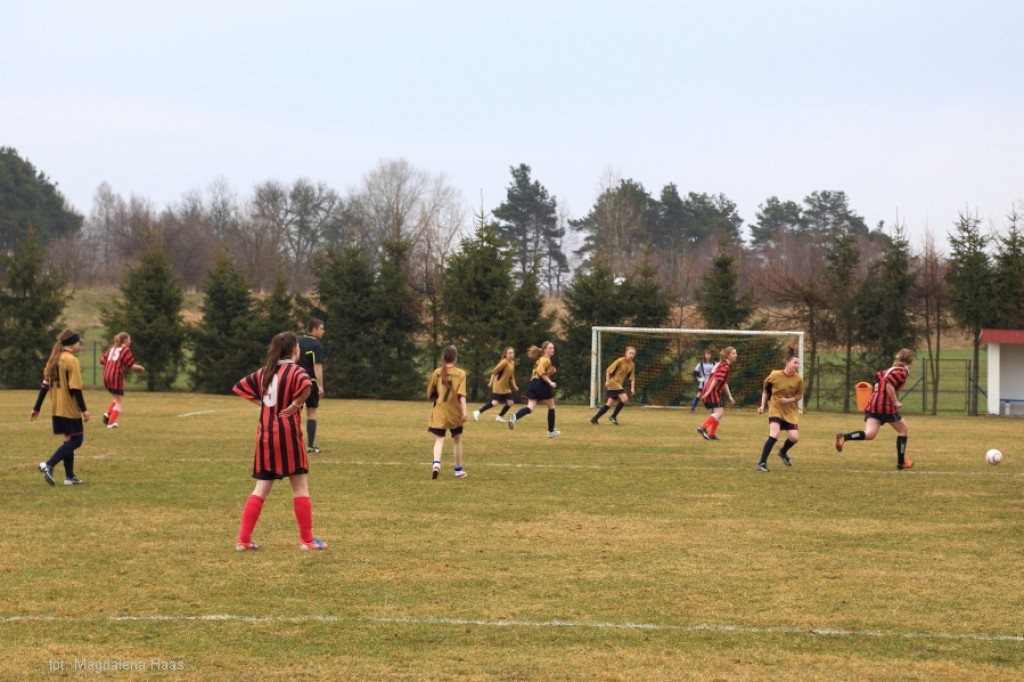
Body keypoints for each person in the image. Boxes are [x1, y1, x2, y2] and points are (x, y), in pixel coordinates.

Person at [233, 331, 326, 551]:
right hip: (288, 434)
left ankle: (243, 541)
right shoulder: (296, 370)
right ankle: (307, 540)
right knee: (300, 488)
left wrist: (265, 404)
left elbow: (240, 387)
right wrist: (294, 405)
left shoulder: (266, 371)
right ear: (296, 350)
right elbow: (307, 386)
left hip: (265, 435)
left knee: (261, 488)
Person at [835, 349, 915, 470]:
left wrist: (880, 393)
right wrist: (894, 401)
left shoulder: (891, 369)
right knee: (903, 430)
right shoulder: (902, 371)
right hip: (884, 404)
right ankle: (900, 462)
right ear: (910, 362)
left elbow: (879, 381)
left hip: (874, 401)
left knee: (870, 434)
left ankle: (844, 437)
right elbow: (888, 384)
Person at [30, 329, 90, 486]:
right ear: (74, 344)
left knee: (69, 438)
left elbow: (44, 386)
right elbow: (75, 388)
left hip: (56, 408)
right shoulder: (71, 361)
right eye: (78, 342)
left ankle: (69, 477)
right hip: (69, 409)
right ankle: (48, 465)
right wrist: (84, 410)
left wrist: (36, 408)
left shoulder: (53, 360)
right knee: (77, 439)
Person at [755, 350, 804, 472]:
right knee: (774, 433)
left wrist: (788, 400)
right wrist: (762, 406)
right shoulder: (774, 375)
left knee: (794, 438)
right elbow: (766, 391)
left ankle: (783, 451)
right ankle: (761, 463)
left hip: (789, 410)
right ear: (787, 363)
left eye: (798, 363)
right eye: (795, 363)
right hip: (775, 407)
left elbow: (799, 395)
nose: (796, 366)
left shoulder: (798, 379)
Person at [427, 345, 468, 479]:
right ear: (455, 359)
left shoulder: (436, 372)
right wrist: (465, 411)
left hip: (439, 410)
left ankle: (436, 464)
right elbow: (461, 395)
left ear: (443, 358)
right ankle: (458, 470)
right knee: (456, 440)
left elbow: (429, 393)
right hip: (454, 411)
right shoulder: (460, 373)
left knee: (439, 440)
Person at [508, 341, 560, 438]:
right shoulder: (546, 360)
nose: (552, 349)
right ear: (544, 350)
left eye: (553, 348)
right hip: (541, 384)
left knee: (530, 408)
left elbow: (541, 372)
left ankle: (514, 417)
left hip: (533, 384)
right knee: (551, 407)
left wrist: (551, 371)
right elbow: (541, 373)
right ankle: (550, 431)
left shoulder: (540, 360)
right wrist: (550, 382)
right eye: (550, 348)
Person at [100, 331, 146, 429]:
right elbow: (131, 365)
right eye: (129, 339)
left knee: (117, 398)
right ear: (125, 340)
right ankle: (111, 423)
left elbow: (102, 361)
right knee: (119, 401)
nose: (130, 341)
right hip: (116, 376)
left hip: (106, 376)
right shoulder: (125, 350)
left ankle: (107, 414)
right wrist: (140, 368)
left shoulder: (111, 349)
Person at [297, 319, 325, 454]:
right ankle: (310, 446)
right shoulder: (316, 345)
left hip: (295, 381)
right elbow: (317, 365)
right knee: (311, 412)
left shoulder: (297, 341)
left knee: (294, 413)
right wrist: (320, 386)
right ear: (314, 329)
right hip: (310, 382)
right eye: (321, 329)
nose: (323, 331)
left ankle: (292, 445)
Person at [697, 346, 737, 441]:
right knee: (719, 412)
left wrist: (730, 396)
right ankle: (703, 427)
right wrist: (708, 392)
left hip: (713, 390)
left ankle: (711, 434)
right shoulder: (725, 366)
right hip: (713, 390)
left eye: (735, 353)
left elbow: (724, 382)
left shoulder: (723, 365)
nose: (736, 355)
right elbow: (716, 379)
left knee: (719, 413)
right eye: (733, 353)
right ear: (727, 355)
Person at [590, 346, 636, 425]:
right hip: (614, 382)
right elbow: (608, 370)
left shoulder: (632, 364)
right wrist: (607, 381)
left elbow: (632, 378)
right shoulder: (620, 360)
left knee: (609, 404)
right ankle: (613, 416)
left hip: (618, 384)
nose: (631, 355)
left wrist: (632, 388)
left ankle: (594, 418)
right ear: (626, 354)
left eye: (633, 354)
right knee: (625, 398)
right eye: (630, 353)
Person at [473, 346, 519, 423]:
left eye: (512, 353)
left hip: (505, 387)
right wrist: (491, 382)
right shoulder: (504, 362)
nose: (511, 354)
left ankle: (499, 417)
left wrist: (514, 386)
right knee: (495, 403)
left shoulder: (512, 363)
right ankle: (477, 412)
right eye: (509, 353)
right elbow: (494, 372)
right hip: (498, 386)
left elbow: (511, 377)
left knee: (510, 402)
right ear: (506, 355)